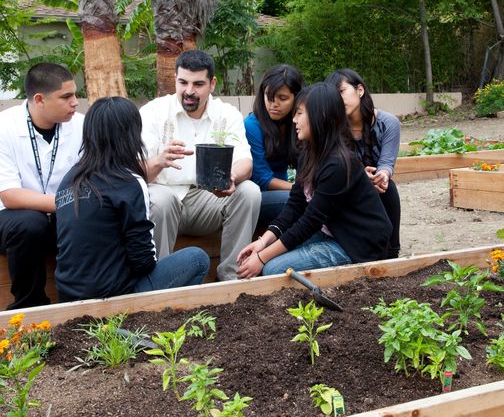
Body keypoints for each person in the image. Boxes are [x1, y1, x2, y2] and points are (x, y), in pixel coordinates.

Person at [55, 97, 209, 301]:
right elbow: (143, 260)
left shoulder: (69, 180)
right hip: (115, 298)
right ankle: (161, 322)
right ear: (131, 135)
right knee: (197, 259)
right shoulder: (128, 181)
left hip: (68, 297)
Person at [236, 83, 391, 278]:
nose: (294, 120)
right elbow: (295, 206)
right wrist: (263, 242)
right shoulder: (308, 153)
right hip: (331, 233)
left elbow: (310, 221)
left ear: (320, 117)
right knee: (268, 262)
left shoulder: (338, 164)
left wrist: (261, 258)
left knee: (272, 269)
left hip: (356, 244)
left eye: (300, 113)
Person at [140, 49, 261, 281]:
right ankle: (160, 282)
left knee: (250, 191)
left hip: (208, 198)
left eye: (198, 84)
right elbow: (135, 170)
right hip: (165, 198)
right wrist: (159, 161)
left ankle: (232, 277)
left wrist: (231, 178)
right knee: (161, 199)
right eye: (183, 82)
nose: (189, 91)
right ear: (175, 79)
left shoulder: (226, 114)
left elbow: (245, 162)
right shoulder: (153, 112)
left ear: (212, 84)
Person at [0, 62, 84, 309]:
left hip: (60, 218)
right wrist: (70, 203)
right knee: (29, 223)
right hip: (7, 219)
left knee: (83, 218)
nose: (75, 102)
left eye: (75, 94)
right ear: (39, 99)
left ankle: (81, 301)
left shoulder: (82, 125)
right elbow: (10, 196)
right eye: (66, 96)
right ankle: (29, 306)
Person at [325, 68, 401, 258]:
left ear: (360, 90)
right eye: (334, 94)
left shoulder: (388, 123)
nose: (338, 98)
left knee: (387, 187)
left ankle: (392, 251)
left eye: (341, 91)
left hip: (377, 185)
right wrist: (358, 176)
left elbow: (386, 162)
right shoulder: (332, 127)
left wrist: (382, 175)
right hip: (345, 187)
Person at [244, 64, 304, 229]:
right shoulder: (252, 125)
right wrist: (301, 191)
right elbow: (262, 179)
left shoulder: (298, 123)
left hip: (287, 192)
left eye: (282, 98)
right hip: (257, 198)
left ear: (297, 98)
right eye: (268, 96)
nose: (273, 104)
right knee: (298, 202)